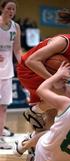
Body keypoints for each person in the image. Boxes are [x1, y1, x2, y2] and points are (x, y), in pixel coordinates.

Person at [16, 5, 70, 135]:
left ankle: (34, 149)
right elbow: (31, 61)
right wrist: (53, 80)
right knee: (67, 92)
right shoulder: (62, 42)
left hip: (45, 74)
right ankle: (34, 112)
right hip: (28, 70)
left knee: (50, 117)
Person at [0, 0, 22, 149]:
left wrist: (25, 64)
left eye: (13, 9)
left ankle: (0, 137)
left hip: (7, 72)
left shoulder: (16, 27)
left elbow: (17, 50)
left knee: (3, 107)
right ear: (2, 8)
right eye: (8, 8)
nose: (11, 11)